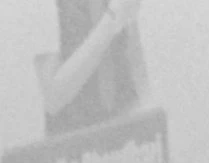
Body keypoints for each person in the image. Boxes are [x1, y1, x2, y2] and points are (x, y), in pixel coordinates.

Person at [35, 0, 148, 139]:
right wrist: (112, 19)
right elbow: (53, 97)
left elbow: (137, 70)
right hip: (72, 141)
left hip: (126, 135)